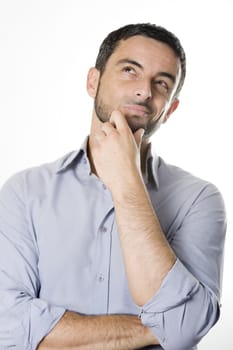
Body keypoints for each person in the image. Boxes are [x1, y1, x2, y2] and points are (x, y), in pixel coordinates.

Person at [0, 23, 226, 350]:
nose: (144, 91)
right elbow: (7, 324)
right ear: (93, 81)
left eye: (161, 82)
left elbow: (188, 328)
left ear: (171, 108)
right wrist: (155, 329)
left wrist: (127, 182)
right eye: (129, 70)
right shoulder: (25, 192)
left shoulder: (199, 199)